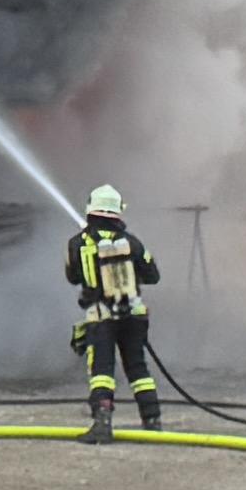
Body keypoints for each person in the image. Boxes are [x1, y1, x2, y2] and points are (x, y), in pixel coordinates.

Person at [66, 183, 164, 440]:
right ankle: (152, 420)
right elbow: (153, 276)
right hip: (134, 315)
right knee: (138, 368)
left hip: (101, 317)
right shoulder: (132, 243)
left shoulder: (77, 243)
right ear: (117, 212)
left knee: (102, 370)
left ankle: (102, 423)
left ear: (91, 210)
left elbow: (72, 277)